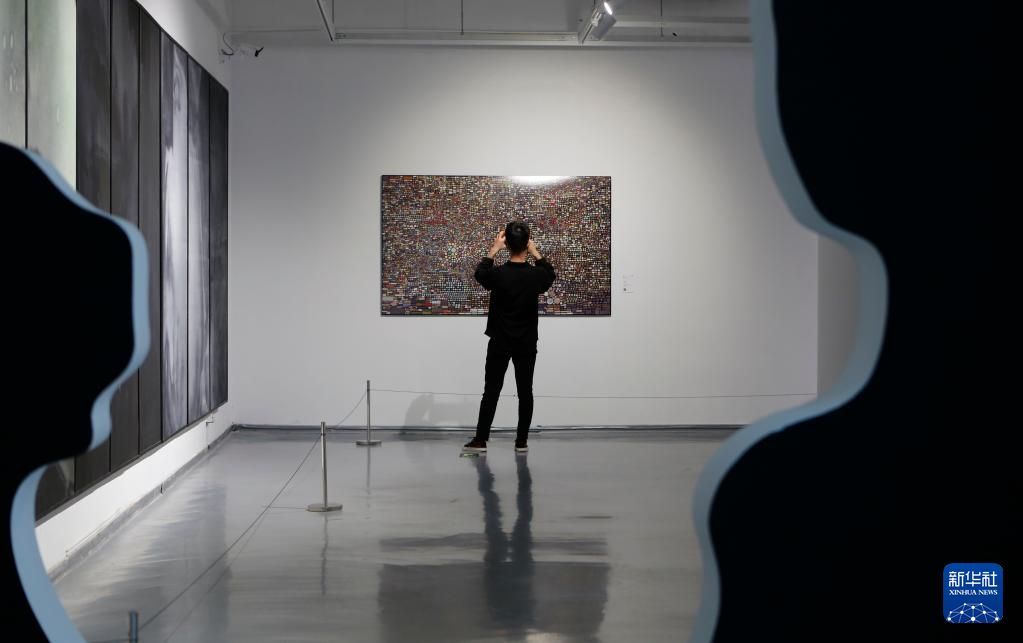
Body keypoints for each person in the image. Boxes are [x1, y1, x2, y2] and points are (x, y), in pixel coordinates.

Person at [463, 221, 556, 454]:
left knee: (491, 391)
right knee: (525, 392)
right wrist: (535, 252)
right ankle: (521, 441)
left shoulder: (497, 274)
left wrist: (494, 249)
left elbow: (480, 274)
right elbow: (550, 275)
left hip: (500, 341)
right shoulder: (536, 275)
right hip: (526, 342)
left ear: (507, 244)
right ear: (527, 243)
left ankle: (481, 440)